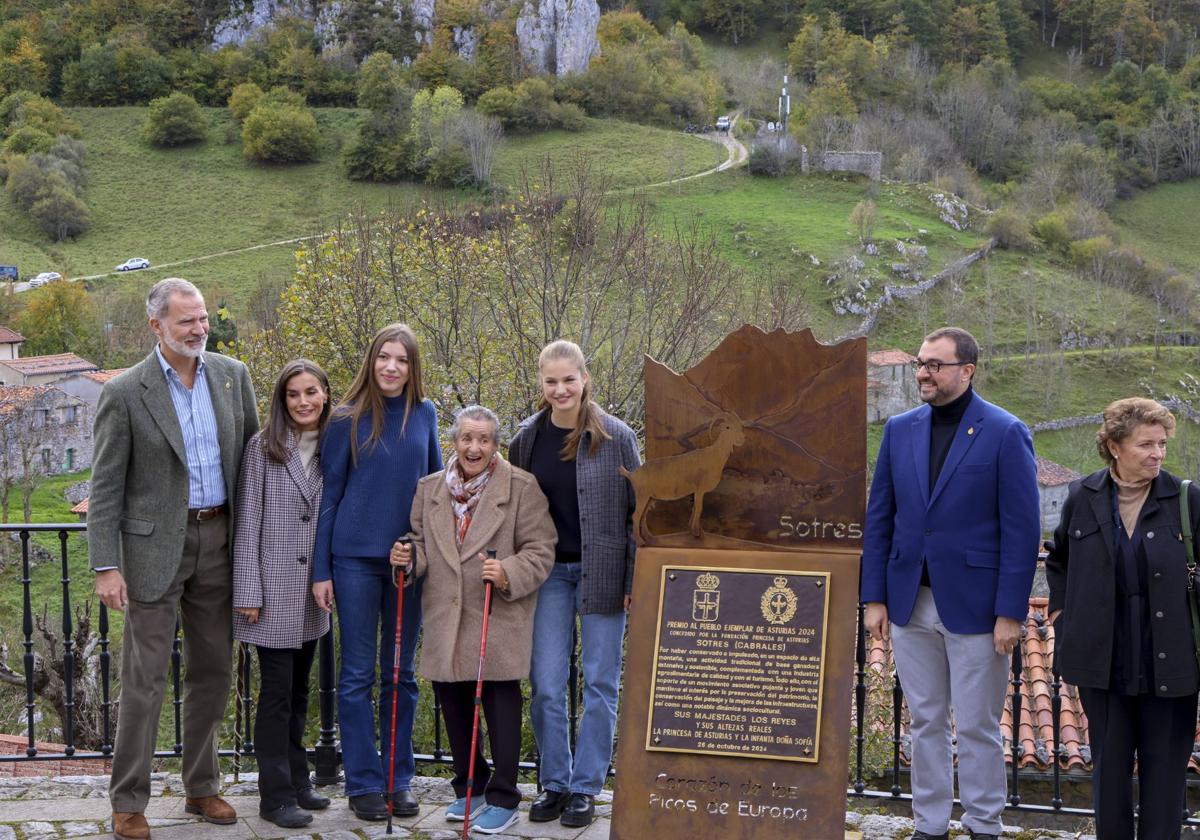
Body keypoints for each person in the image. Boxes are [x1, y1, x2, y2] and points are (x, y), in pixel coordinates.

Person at [89, 278, 259, 840]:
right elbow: (106, 487)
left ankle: (201, 787)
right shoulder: (125, 391)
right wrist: (105, 565)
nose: (199, 329)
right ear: (156, 326)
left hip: (220, 543)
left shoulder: (234, 379)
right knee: (145, 678)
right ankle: (128, 800)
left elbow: (256, 469)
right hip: (150, 552)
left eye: (203, 317)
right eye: (186, 321)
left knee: (212, 671)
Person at [861, 326, 1040, 840]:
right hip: (908, 603)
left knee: (980, 727)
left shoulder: (1006, 432)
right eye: (920, 363)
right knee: (925, 722)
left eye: (935, 364)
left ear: (967, 370)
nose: (923, 372)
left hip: (977, 608)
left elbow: (1023, 530)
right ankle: (930, 826)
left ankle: (984, 825)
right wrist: (874, 596)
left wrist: (1010, 611)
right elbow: (880, 518)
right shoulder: (899, 429)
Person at [393, 405, 556, 834]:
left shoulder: (521, 487)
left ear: (496, 445)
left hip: (496, 613)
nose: (474, 447)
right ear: (454, 441)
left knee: (501, 702)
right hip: (446, 613)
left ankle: (503, 796)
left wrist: (508, 572)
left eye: (483, 440)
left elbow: (541, 549)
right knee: (453, 702)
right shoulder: (429, 488)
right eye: (467, 438)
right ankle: (471, 786)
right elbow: (419, 543)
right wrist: (407, 560)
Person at [1046, 398, 1200, 840]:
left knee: (1166, 777)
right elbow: (1059, 560)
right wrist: (1061, 615)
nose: (1158, 454)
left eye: (1163, 444)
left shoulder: (1186, 499)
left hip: (1170, 661)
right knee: (1109, 774)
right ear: (1114, 446)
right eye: (1145, 444)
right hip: (1103, 661)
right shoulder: (1084, 496)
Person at [508, 339, 640, 828]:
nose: (561, 389)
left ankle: (586, 788)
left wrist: (633, 578)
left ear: (585, 378)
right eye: (551, 381)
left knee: (600, 682)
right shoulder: (525, 439)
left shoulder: (618, 437)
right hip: (547, 576)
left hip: (604, 572)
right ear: (540, 384)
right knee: (544, 683)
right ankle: (555, 782)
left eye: (569, 379)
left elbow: (638, 515)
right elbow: (512, 512)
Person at [312, 323, 442, 821]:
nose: (391, 367)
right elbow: (330, 496)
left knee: (401, 675)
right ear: (372, 361)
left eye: (402, 360)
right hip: (354, 563)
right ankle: (364, 783)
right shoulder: (345, 419)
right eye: (384, 357)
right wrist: (322, 569)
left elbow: (433, 494)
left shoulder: (425, 414)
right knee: (355, 675)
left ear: (413, 368)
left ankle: (398, 777)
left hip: (407, 564)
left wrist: (421, 549)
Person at [232, 359, 333, 829]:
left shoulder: (336, 445)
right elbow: (248, 520)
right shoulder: (263, 447)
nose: (303, 402)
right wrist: (248, 590)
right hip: (271, 593)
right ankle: (274, 796)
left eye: (311, 391)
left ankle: (298, 778)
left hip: (314, 594)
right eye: (293, 394)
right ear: (282, 400)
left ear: (326, 394)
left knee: (298, 693)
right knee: (274, 696)